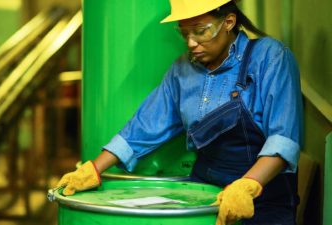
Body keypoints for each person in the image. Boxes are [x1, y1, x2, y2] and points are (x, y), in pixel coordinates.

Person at [56, 0, 303, 224]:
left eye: (200, 31)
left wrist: (248, 186)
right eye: (184, 33)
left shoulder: (270, 57)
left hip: (265, 198)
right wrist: (94, 169)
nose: (191, 43)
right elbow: (143, 127)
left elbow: (284, 140)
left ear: (229, 21)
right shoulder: (182, 70)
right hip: (207, 195)